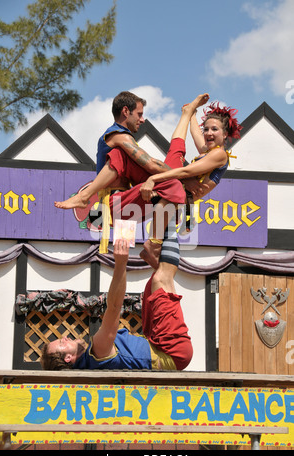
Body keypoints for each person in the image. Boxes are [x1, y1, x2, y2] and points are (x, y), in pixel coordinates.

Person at [54, 93, 211, 257]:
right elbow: (150, 163)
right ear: (125, 111)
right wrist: (185, 176)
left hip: (131, 204)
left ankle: (186, 114)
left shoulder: (218, 155)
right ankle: (85, 196)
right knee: (123, 157)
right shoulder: (118, 136)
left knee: (123, 259)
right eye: (140, 114)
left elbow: (167, 158)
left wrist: (189, 115)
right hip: (117, 205)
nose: (142, 120)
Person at [40, 237, 193, 371]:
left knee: (154, 288)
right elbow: (113, 307)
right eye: (61, 342)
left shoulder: (93, 358)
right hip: (172, 352)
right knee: (161, 279)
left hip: (153, 341)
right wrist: (120, 264)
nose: (65, 337)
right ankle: (171, 218)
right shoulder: (98, 351)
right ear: (68, 358)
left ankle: (156, 259)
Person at [139, 101, 242, 266]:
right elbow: (196, 138)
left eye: (214, 129)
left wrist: (153, 179)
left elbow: (186, 172)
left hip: (178, 198)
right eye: (206, 129)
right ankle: (153, 244)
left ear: (225, 135)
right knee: (175, 151)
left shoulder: (219, 155)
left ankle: (153, 244)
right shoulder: (208, 152)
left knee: (175, 151)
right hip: (176, 196)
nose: (208, 133)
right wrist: (192, 114)